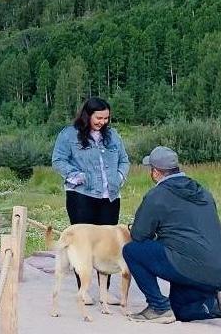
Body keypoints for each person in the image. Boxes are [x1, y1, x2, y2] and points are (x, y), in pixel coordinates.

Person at [123, 146, 221, 330]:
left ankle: (158, 307)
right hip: (219, 269)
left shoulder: (157, 195)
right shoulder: (202, 191)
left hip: (189, 266)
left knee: (132, 251)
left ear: (156, 172)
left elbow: (139, 235)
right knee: (181, 311)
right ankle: (215, 305)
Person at [51, 97, 130, 300]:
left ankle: (105, 292)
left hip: (110, 197)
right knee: (83, 243)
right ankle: (83, 291)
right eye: (99, 117)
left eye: (106, 118)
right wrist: (74, 176)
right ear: (88, 115)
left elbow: (124, 160)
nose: (102, 122)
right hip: (81, 196)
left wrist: (120, 176)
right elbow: (58, 159)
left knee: (107, 245)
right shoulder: (69, 135)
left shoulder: (113, 136)